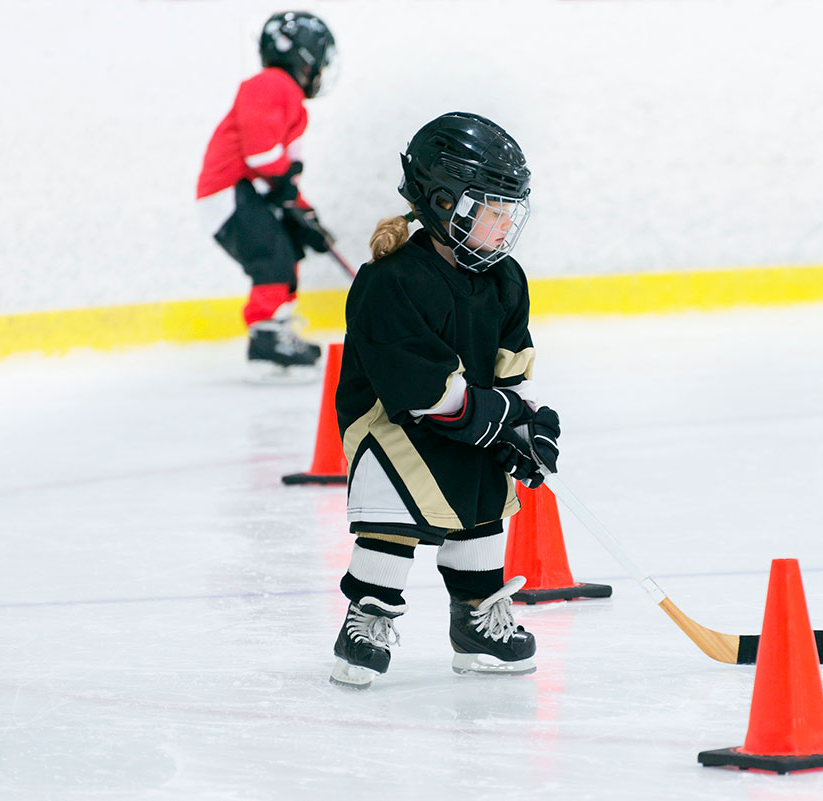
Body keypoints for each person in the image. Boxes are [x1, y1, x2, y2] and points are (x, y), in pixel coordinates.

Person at [328, 112, 562, 688]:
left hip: (464, 422)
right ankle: (369, 612)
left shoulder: (507, 280)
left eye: (511, 213)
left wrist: (529, 427)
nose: (505, 228)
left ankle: (477, 620)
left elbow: (512, 369)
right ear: (442, 203)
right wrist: (497, 418)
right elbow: (424, 394)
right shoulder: (390, 281)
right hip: (393, 424)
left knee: (484, 501)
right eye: (491, 212)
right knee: (397, 508)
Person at [196, 10, 337, 373]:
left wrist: (306, 214)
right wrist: (289, 189)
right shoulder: (271, 84)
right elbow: (261, 152)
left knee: (288, 251)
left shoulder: (291, 101)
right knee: (272, 256)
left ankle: (276, 329)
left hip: (249, 193)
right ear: (303, 55)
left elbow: (283, 174)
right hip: (229, 193)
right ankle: (265, 336)